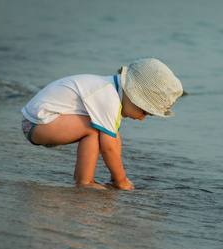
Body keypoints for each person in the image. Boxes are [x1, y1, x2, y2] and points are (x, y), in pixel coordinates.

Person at [21, 58, 183, 190]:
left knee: (103, 131)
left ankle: (83, 180)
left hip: (41, 121)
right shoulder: (108, 98)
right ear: (134, 96)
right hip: (39, 122)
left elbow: (115, 140)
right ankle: (84, 182)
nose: (141, 118)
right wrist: (122, 181)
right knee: (94, 129)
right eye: (144, 112)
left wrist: (115, 175)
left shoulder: (111, 91)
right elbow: (108, 148)